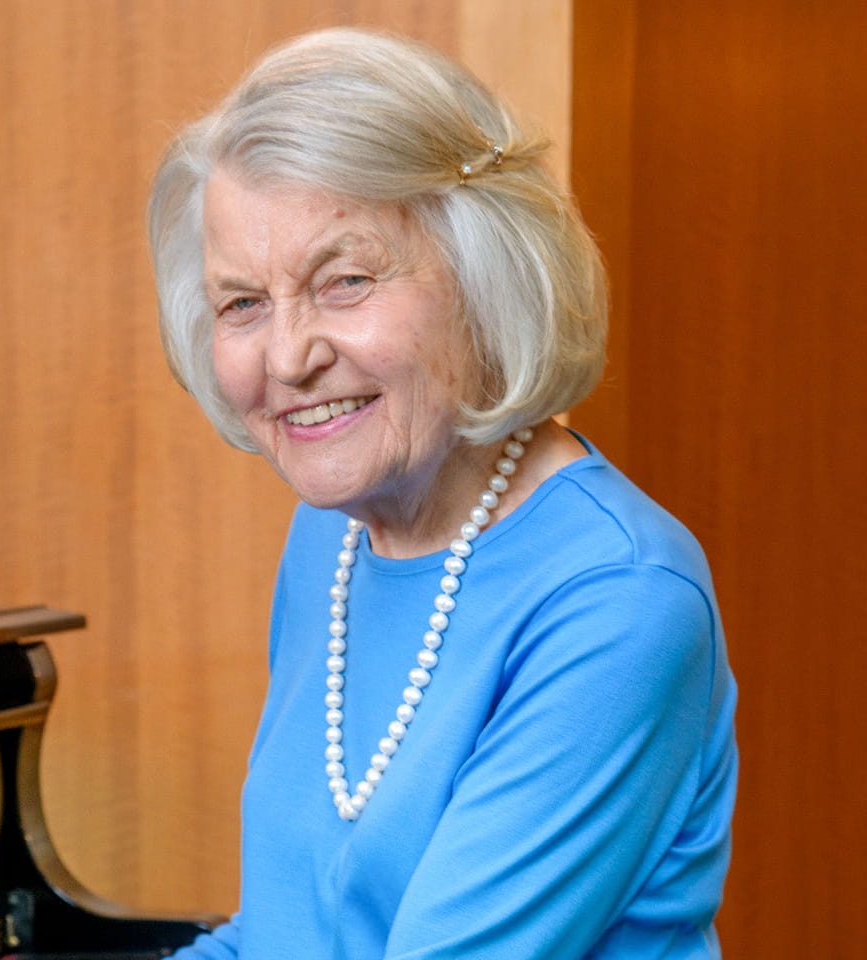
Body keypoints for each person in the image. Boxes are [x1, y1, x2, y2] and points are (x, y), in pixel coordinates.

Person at [146, 28, 737, 960]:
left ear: (483, 275)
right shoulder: (333, 537)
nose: (290, 356)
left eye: (345, 281)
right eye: (243, 304)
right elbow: (287, 937)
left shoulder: (619, 601)